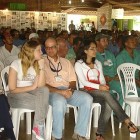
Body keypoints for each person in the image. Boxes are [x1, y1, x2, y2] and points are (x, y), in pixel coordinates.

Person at [74, 40, 139, 140]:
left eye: (95, 48)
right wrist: (100, 87)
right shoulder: (79, 64)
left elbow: (102, 80)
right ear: (85, 50)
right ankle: (126, 120)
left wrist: (103, 86)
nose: (95, 50)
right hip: (85, 91)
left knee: (108, 103)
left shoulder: (97, 63)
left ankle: (99, 134)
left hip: (98, 92)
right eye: (92, 49)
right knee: (107, 95)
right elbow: (84, 82)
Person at [44, 37, 93, 140]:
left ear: (57, 47)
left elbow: (73, 81)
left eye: (52, 47)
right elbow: (42, 84)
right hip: (51, 92)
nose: (50, 50)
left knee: (87, 99)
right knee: (60, 101)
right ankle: (56, 136)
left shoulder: (66, 62)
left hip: (67, 90)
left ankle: (79, 133)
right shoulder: (41, 62)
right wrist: (60, 91)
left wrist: (70, 90)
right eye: (47, 48)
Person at [7, 39, 49, 140]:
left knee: (45, 91)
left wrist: (42, 68)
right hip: (15, 95)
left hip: (31, 94)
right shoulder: (16, 64)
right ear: (31, 51)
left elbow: (41, 86)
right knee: (43, 104)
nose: (42, 52)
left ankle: (38, 129)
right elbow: (12, 89)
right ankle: (39, 129)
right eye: (39, 50)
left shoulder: (36, 64)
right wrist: (32, 87)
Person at [95, 33, 123, 106]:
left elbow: (116, 68)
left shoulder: (110, 54)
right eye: (103, 40)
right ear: (97, 42)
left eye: (107, 40)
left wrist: (116, 76)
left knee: (124, 87)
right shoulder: (94, 55)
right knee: (115, 91)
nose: (106, 42)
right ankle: (115, 111)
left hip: (113, 80)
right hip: (101, 82)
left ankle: (119, 111)